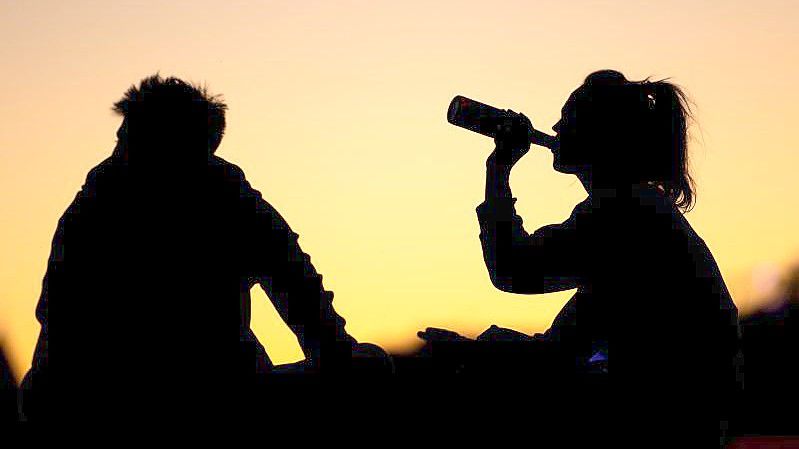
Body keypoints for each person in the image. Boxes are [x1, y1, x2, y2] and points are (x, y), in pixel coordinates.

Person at [21, 74, 386, 422]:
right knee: (370, 365)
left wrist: (334, 356)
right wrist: (339, 363)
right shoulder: (225, 197)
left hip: (79, 401)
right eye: (123, 140)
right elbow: (299, 286)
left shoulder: (93, 202)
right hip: (197, 398)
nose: (120, 152)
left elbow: (299, 285)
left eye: (129, 139)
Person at [423, 70, 742, 443]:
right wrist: (478, 352)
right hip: (686, 421)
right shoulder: (639, 211)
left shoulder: (624, 213)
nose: (555, 127)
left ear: (602, 135)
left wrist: (499, 169)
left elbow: (514, 270)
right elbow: (560, 352)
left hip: (668, 424)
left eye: (568, 117)